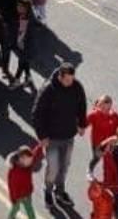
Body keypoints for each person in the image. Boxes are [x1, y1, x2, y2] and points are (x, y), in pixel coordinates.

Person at [32, 62, 88, 209]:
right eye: (68, 80)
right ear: (60, 76)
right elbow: (37, 114)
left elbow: (82, 106)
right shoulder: (48, 90)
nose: (71, 83)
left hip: (69, 135)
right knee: (53, 167)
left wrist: (82, 124)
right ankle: (48, 192)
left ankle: (60, 191)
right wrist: (42, 136)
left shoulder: (76, 87)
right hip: (52, 138)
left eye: (72, 79)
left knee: (64, 166)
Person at [7, 143, 46, 219]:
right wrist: (13, 199)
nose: (31, 162)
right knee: (15, 208)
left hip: (27, 193)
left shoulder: (27, 164)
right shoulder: (14, 172)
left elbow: (35, 155)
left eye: (31, 160)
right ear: (22, 159)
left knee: (29, 209)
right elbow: (11, 186)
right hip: (17, 196)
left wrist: (41, 145)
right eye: (29, 161)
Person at [85, 95, 118, 160]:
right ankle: (91, 167)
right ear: (98, 106)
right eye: (103, 108)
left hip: (110, 142)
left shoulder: (114, 116)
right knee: (96, 158)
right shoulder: (93, 115)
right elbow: (84, 124)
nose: (105, 111)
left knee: (111, 158)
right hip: (97, 143)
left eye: (108, 109)